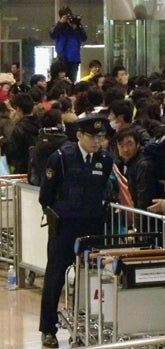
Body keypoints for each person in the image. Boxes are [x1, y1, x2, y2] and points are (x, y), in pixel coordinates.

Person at [38, 114, 113, 348]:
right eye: (92, 136)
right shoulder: (60, 158)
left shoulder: (104, 160)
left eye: (101, 137)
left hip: (92, 227)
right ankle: (48, 329)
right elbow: (46, 195)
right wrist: (56, 216)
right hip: (65, 228)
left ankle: (84, 328)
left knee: (90, 280)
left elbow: (103, 191)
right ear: (80, 135)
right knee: (55, 277)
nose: (96, 141)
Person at [49, 6, 87, 83]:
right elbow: (52, 35)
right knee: (60, 81)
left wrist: (76, 28)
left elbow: (84, 38)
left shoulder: (76, 25)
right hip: (62, 58)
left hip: (74, 58)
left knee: (72, 81)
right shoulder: (58, 27)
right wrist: (60, 23)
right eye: (66, 16)